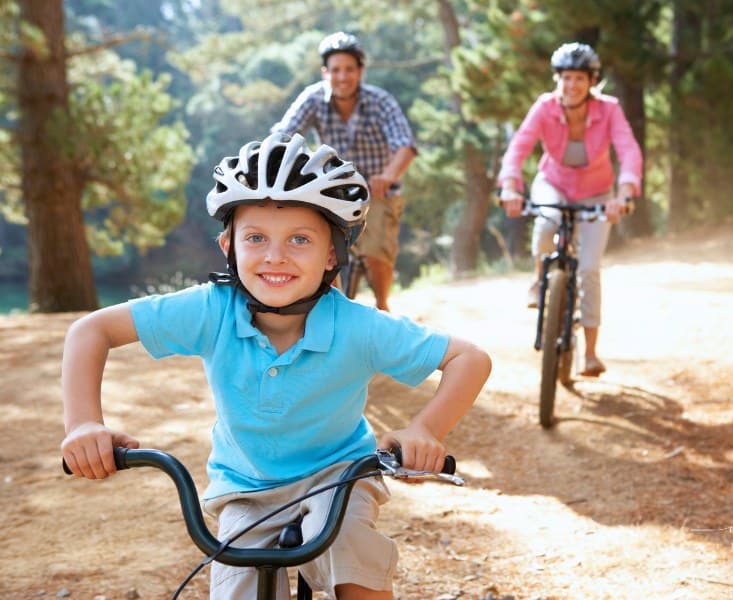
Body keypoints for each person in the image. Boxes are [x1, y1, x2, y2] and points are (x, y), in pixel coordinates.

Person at [60, 132, 492, 600]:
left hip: (338, 476)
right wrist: (83, 424)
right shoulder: (211, 309)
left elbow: (469, 358)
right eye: (256, 238)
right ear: (229, 246)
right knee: (237, 587)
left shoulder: (356, 325)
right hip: (245, 487)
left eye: (300, 239)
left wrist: (424, 430)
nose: (275, 256)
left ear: (332, 254)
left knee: (354, 559)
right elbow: (91, 332)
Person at [497, 42, 642, 378]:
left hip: (597, 193)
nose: (571, 85)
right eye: (565, 77)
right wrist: (509, 186)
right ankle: (538, 281)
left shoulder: (609, 109)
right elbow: (518, 147)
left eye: (579, 78)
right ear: (556, 79)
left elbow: (629, 151)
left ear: (592, 81)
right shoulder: (544, 107)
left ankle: (590, 353)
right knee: (546, 225)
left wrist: (624, 193)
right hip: (554, 184)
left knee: (589, 268)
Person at [271, 31, 416, 312]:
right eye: (336, 70)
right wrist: (273, 160)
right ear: (325, 72)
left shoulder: (380, 101)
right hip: (332, 191)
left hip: (378, 190)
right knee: (326, 253)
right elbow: (283, 134)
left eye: (349, 69)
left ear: (360, 71)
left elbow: (405, 146)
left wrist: (387, 176)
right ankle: (337, 310)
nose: (342, 77)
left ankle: (382, 305)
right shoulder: (313, 98)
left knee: (376, 255)